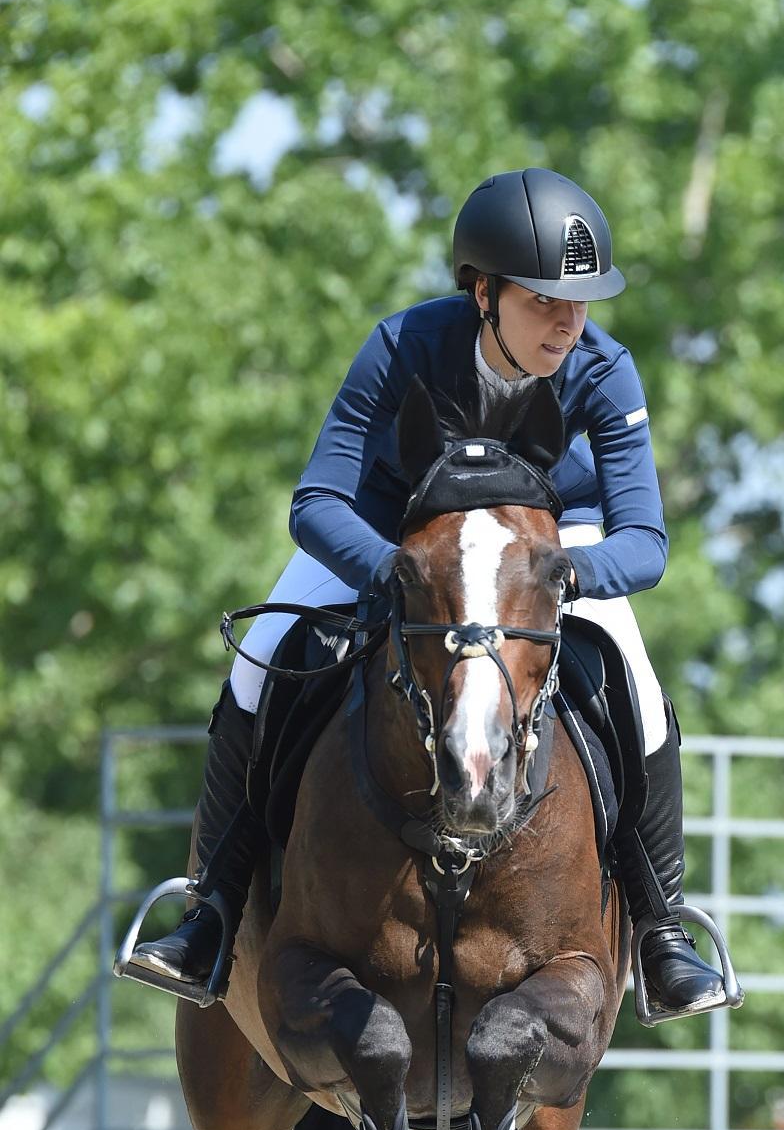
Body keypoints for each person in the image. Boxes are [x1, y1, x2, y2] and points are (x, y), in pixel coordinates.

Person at [133, 167, 728, 1016]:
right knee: (259, 657)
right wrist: (390, 574)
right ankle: (211, 911)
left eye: (582, 301)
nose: (569, 321)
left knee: (635, 675)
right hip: (397, 534)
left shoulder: (606, 370)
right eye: (543, 299)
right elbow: (317, 502)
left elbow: (646, 540)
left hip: (552, 544)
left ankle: (664, 930)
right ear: (482, 291)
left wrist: (565, 578)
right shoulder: (404, 345)